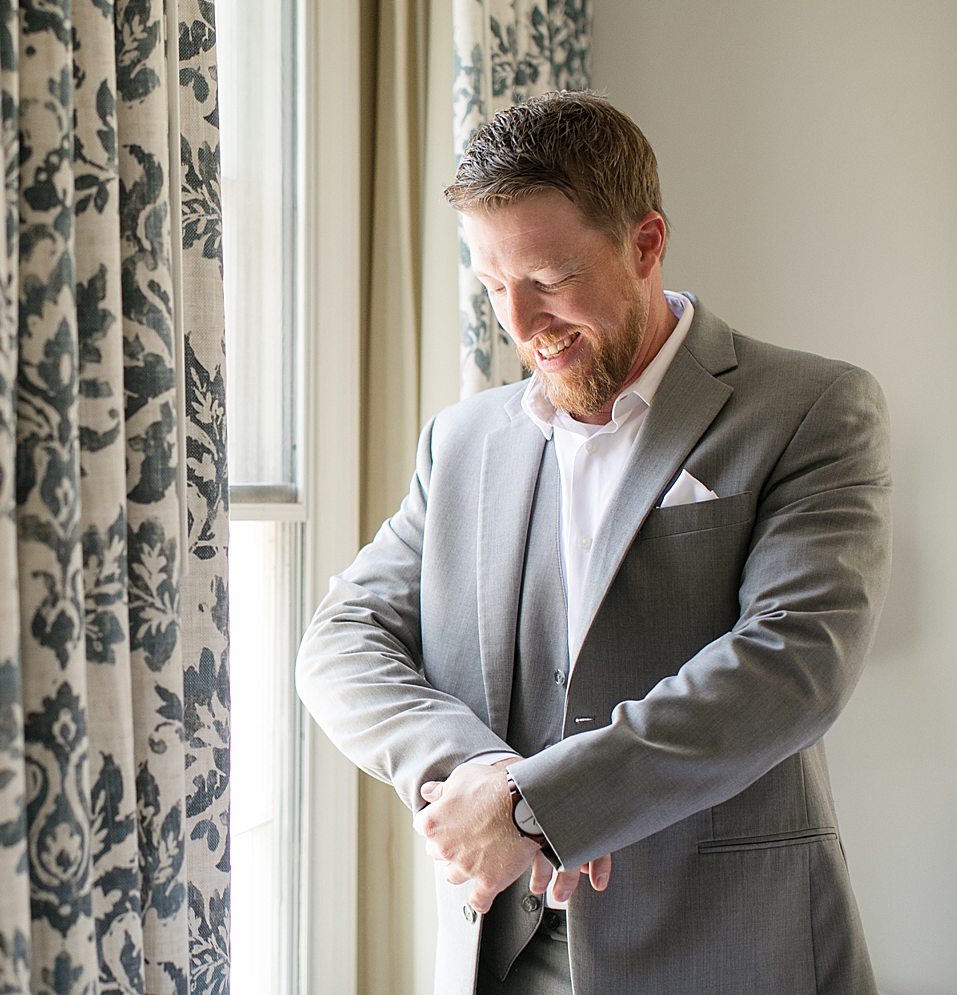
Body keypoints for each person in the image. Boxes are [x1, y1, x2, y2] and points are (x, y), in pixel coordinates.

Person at [295, 90, 891, 995]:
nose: (521, 326)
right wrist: (482, 777)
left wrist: (544, 807)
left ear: (646, 244)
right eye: (494, 287)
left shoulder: (813, 408)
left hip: (728, 944)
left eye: (549, 280)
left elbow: (795, 661)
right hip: (502, 951)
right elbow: (341, 641)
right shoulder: (459, 444)